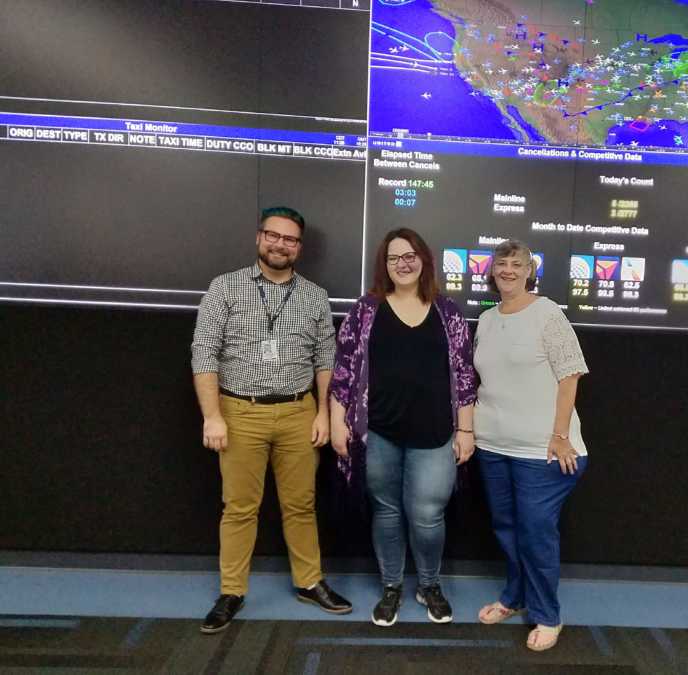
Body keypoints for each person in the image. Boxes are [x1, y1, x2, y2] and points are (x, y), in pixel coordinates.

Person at [191, 206, 352, 634]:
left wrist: (322, 412)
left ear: (300, 247)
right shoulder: (224, 288)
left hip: (300, 414)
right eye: (274, 236)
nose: (281, 244)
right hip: (239, 413)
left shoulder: (315, 296)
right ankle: (231, 592)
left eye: (291, 239)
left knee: (301, 505)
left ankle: (309, 582)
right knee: (240, 508)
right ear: (259, 238)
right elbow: (204, 354)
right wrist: (212, 417)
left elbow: (325, 360)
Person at [330, 228, 477, 627]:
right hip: (378, 433)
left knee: (428, 515)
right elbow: (343, 371)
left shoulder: (448, 312)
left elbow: (465, 375)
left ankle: (429, 585)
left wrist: (466, 431)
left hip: (436, 434)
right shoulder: (366, 310)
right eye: (395, 257)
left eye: (410, 255)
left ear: (424, 260)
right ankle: (391, 586)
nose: (403, 263)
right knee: (387, 511)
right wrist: (335, 423)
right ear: (385, 266)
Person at [473, 239, 589, 652]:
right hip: (492, 445)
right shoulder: (486, 320)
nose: (507, 269)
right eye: (500, 263)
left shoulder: (548, 313)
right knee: (507, 528)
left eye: (516, 264)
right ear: (491, 272)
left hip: (542, 451)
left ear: (529, 271)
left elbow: (570, 376)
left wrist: (559, 436)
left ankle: (546, 615)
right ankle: (515, 596)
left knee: (536, 532)